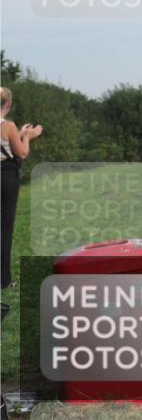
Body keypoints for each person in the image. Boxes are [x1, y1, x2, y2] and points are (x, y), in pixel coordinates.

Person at [1, 87, 44, 290]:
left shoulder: (9, 129)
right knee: (5, 227)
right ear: (8, 104)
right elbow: (22, 153)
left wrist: (19, 134)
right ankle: (4, 279)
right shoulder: (8, 125)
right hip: (6, 177)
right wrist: (28, 136)